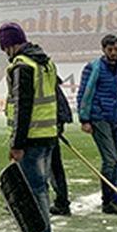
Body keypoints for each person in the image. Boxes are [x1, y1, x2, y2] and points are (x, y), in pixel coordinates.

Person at [0, 22, 59, 232]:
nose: (5, 53)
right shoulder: (45, 62)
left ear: (10, 45)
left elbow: (23, 106)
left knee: (35, 194)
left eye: (4, 48)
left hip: (31, 139)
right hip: (47, 134)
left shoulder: (22, 66)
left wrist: (17, 143)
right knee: (41, 190)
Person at [76, 34, 117, 215]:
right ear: (103, 50)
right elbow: (83, 94)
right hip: (99, 118)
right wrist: (84, 120)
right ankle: (107, 201)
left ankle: (111, 199)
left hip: (116, 119)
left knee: (115, 161)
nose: (113, 53)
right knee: (110, 160)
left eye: (116, 49)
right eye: (110, 50)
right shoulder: (92, 68)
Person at [49, 77, 73, 216]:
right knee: (55, 168)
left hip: (41, 131)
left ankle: (62, 202)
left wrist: (59, 125)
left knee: (53, 168)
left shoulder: (44, 79)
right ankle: (62, 202)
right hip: (48, 128)